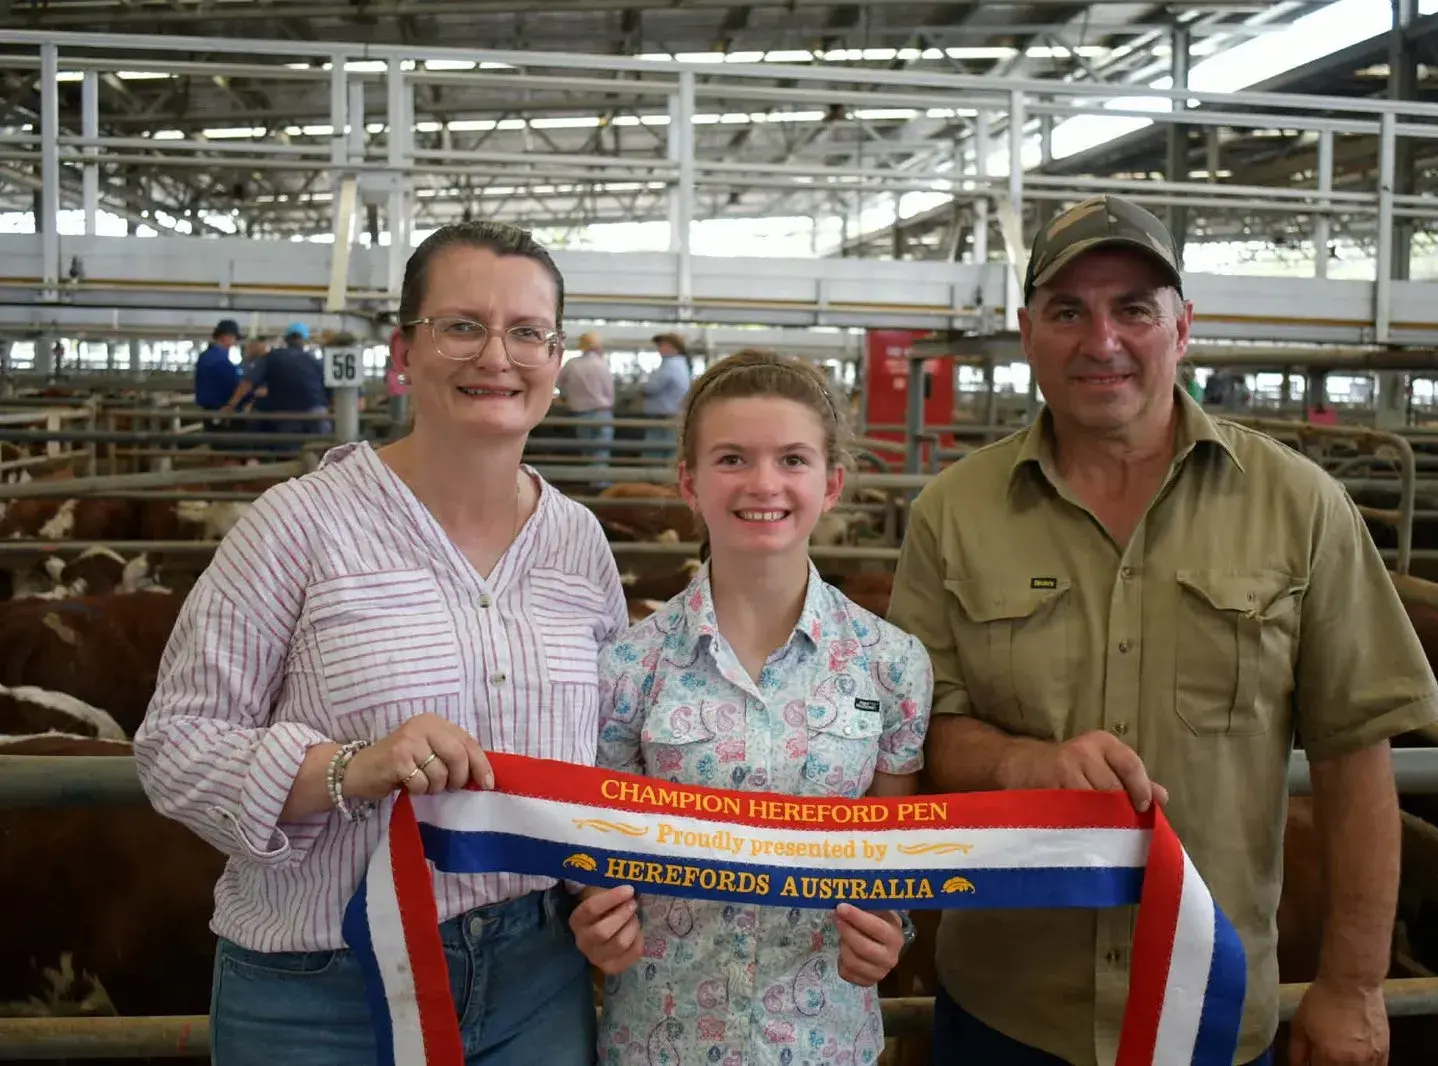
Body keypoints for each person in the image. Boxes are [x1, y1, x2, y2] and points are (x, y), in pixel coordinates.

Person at [886, 194, 1438, 1066]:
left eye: (1133, 310)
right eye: (1068, 310)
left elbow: (1354, 753)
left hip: (1211, 1008)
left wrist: (1353, 982)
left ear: (1181, 327)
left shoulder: (1299, 506)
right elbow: (923, 730)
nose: (1100, 340)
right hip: (1009, 1008)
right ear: (1026, 330)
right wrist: (1023, 763)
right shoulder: (950, 515)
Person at [134, 220, 625, 1066]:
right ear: (406, 349)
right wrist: (348, 767)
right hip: (320, 986)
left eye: (526, 332)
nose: (495, 357)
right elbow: (175, 745)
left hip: (535, 979)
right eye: (462, 326)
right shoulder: (298, 523)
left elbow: (606, 748)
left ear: (554, 357)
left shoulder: (578, 541)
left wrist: (607, 881)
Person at [573, 349, 933, 1066]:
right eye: (732, 459)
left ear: (830, 485)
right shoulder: (628, 668)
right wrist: (592, 914)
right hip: (659, 1040)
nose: (763, 484)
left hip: (824, 1038)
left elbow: (893, 856)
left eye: (792, 460)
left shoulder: (891, 665)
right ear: (690, 482)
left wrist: (891, 928)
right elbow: (598, 851)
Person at [218, 322, 331, 446]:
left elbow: (247, 382)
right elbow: (329, 386)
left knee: (288, 448)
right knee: (321, 447)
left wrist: (230, 406)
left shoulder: (272, 357)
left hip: (286, 413)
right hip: (315, 412)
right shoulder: (313, 360)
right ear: (303, 340)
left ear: (286, 339)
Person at [555, 330, 615, 468]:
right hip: (602, 413)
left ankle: (589, 479)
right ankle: (599, 484)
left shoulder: (572, 364)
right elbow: (609, 391)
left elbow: (557, 387)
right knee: (602, 451)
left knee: (587, 450)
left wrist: (564, 399)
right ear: (597, 347)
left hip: (580, 414)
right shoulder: (602, 364)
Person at [638, 331, 692, 460]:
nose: (660, 349)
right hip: (672, 415)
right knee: (669, 452)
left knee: (654, 453)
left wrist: (641, 388)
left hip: (663, 417)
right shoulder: (681, 364)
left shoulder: (670, 365)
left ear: (673, 347)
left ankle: (654, 479)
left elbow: (652, 387)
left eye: (663, 345)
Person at [194, 318, 242, 428]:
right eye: (234, 338)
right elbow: (233, 382)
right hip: (221, 410)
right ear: (226, 337)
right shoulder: (219, 359)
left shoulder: (206, 356)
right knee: (225, 442)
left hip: (209, 409)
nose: (234, 342)